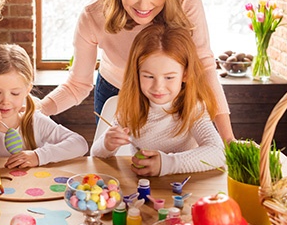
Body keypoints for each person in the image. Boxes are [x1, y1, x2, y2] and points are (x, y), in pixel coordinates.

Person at [38, 0, 235, 143]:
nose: (144, 5)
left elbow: (203, 65)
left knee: (177, 165)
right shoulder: (94, 15)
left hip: (173, 91)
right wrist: (37, 110)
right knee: (115, 165)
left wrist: (228, 138)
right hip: (117, 92)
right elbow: (77, 84)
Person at [90, 25, 224, 177]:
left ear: (185, 75)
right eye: (148, 76)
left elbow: (218, 152)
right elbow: (96, 155)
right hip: (141, 189)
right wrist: (106, 144)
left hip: (184, 187)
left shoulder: (193, 107)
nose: (158, 87)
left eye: (169, 77)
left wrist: (167, 164)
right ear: (137, 74)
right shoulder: (130, 107)